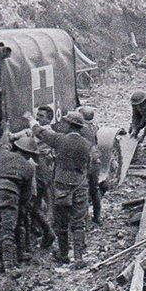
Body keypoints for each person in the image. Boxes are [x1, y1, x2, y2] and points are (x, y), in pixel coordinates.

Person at [24, 110, 92, 269]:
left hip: (61, 185)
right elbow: (88, 165)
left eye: (66, 122)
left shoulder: (60, 140)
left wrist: (31, 119)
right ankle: (79, 257)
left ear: (69, 124)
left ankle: (63, 254)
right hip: (80, 185)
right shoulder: (86, 144)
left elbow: (39, 132)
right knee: (78, 222)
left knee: (61, 222)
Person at [0, 136, 39, 278]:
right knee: (8, 229)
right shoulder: (28, 167)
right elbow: (26, 195)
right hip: (9, 194)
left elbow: (3, 144)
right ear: (28, 153)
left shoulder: (4, 154)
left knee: (2, 228)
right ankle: (10, 266)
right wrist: (21, 207)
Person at [8, 106, 56, 249]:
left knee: (36, 199)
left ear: (48, 118)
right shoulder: (34, 131)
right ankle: (41, 229)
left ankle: (45, 230)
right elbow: (17, 135)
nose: (39, 118)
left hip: (42, 167)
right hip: (35, 167)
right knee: (33, 201)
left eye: (42, 116)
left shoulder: (49, 132)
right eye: (38, 115)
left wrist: (30, 120)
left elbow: (35, 134)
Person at [76, 106, 103, 224]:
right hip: (96, 161)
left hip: (86, 162)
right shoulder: (95, 127)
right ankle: (97, 217)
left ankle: (84, 218)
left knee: (83, 190)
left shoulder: (81, 129)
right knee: (94, 189)